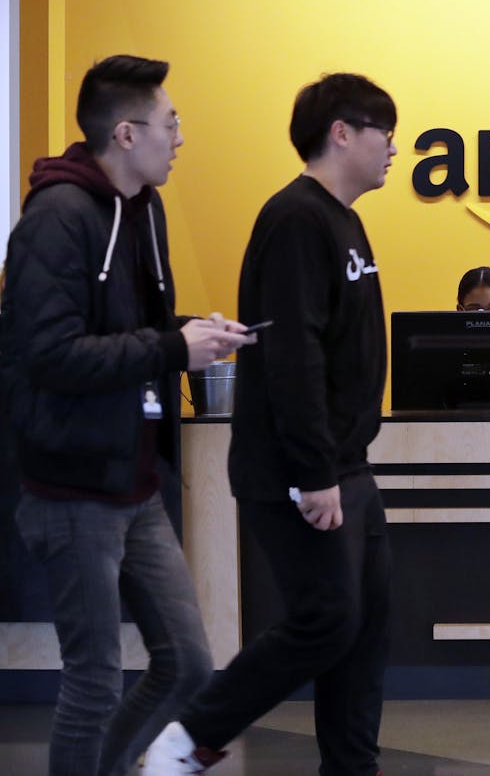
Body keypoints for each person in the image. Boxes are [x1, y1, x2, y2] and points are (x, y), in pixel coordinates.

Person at [0, 55, 252, 776]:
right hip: (73, 488)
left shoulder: (143, 208)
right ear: (127, 133)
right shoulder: (56, 219)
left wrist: (193, 334)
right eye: (170, 124)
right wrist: (173, 346)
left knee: (188, 665)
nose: (181, 137)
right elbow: (51, 355)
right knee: (91, 682)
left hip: (135, 482)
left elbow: (128, 328)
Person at [143, 73, 398, 775]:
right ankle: (187, 740)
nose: (394, 149)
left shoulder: (345, 219)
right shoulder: (295, 219)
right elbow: (292, 356)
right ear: (341, 132)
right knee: (326, 620)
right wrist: (315, 474)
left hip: (349, 465)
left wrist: (339, 466)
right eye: (385, 132)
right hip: (297, 469)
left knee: (365, 631)